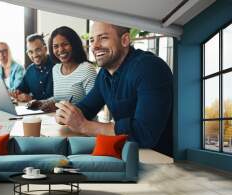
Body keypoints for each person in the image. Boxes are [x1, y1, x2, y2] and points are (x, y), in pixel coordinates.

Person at [55, 21, 173, 156]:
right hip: (127, 153)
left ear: (125, 40)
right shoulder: (104, 74)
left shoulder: (149, 68)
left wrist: (84, 126)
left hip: (162, 161)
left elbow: (144, 133)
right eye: (92, 40)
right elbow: (86, 109)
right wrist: (66, 114)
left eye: (103, 38)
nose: (95, 46)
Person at [30, 26, 97, 112]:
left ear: (74, 45)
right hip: (60, 122)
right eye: (55, 46)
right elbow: (59, 99)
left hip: (83, 124)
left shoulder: (87, 69)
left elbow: (93, 105)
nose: (60, 50)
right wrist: (42, 102)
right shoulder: (56, 69)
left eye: (65, 44)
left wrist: (58, 107)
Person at [11, 33, 54, 102]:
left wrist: (32, 98)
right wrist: (17, 92)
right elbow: (21, 89)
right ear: (27, 53)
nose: (35, 55)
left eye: (38, 50)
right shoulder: (29, 70)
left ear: (45, 49)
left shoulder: (57, 66)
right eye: (30, 52)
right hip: (35, 111)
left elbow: (57, 97)